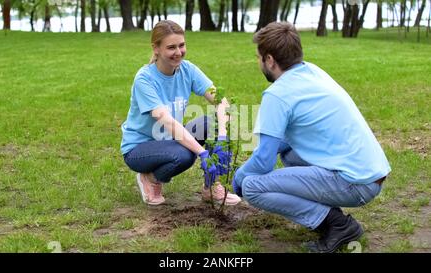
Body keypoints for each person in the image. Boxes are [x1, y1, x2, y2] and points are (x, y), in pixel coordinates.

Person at [232, 22, 391, 253]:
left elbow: (263, 162)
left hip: (355, 183)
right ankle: (329, 215)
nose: (259, 63)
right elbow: (283, 143)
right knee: (288, 152)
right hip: (371, 173)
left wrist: (239, 175)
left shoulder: (277, 95)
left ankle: (337, 224)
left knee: (251, 186)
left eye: (258, 58)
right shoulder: (312, 71)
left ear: (269, 60)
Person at [121, 20, 241, 206]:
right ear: (156, 48)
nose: (178, 52)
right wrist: (202, 153)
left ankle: (211, 187)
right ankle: (150, 178)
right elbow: (167, 122)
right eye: (171, 47)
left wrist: (223, 137)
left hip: (170, 138)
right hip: (139, 148)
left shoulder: (188, 69)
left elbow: (221, 101)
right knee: (184, 156)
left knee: (214, 123)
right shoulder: (144, 79)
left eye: (181, 45)